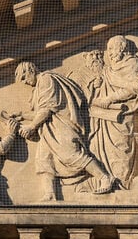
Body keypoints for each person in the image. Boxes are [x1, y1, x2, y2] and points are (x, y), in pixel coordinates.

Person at [13, 60, 113, 200]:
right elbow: (41, 112)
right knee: (44, 160)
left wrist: (32, 126)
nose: (24, 82)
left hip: (61, 126)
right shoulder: (39, 86)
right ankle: (50, 194)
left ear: (31, 70)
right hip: (48, 130)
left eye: (24, 77)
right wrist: (22, 116)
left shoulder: (46, 79)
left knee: (72, 155)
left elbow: (47, 109)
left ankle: (104, 177)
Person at [87, 36, 138, 189]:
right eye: (108, 49)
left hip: (123, 115)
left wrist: (110, 98)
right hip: (105, 116)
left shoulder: (132, 63)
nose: (109, 53)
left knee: (121, 147)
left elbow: (136, 87)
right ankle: (105, 180)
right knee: (98, 147)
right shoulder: (109, 69)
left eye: (111, 48)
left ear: (122, 48)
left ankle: (121, 184)